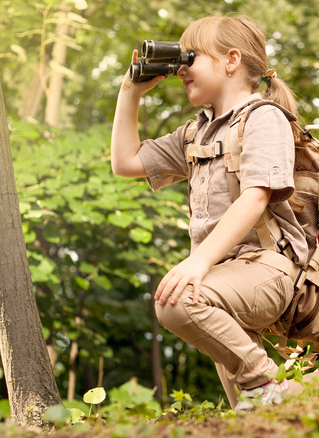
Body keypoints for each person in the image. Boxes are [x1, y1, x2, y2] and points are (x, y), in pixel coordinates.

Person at [110, 15, 309, 412]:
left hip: (268, 268)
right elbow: (125, 162)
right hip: (225, 276)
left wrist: (196, 264)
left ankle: (276, 386)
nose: (182, 69)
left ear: (231, 60)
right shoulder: (196, 133)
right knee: (257, 416)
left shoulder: (263, 117)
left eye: (192, 56)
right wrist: (129, 91)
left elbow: (256, 196)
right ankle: (288, 402)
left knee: (177, 301)